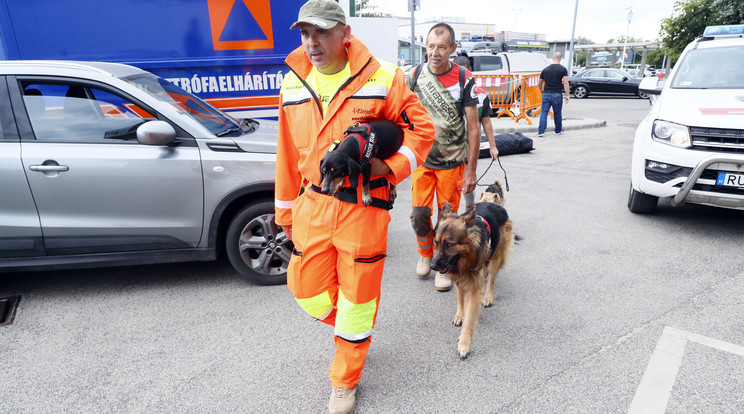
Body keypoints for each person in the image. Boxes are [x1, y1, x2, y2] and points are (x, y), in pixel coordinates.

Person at [274, 1, 435, 413]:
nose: (312, 42)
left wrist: (387, 166)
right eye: (305, 34)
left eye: (321, 33)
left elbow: (421, 132)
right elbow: (286, 156)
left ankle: (344, 379)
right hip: (313, 204)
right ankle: (354, 337)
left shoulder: (383, 76)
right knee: (306, 292)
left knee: (358, 300)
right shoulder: (292, 82)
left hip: (363, 208)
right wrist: (286, 214)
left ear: (344, 34)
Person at [407, 23, 481, 291]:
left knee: (445, 221)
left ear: (452, 48)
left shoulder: (464, 78)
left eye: (441, 47)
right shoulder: (414, 75)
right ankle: (426, 253)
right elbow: (401, 115)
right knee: (418, 214)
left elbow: (473, 127)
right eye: (430, 46)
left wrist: (471, 170)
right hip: (422, 160)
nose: (434, 53)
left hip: (452, 163)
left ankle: (443, 265)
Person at [452, 54, 499, 209]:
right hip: (451, 146)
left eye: (465, 72)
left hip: (470, 146)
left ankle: (469, 209)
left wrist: (493, 146)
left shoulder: (480, 94)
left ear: (470, 71)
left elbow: (486, 121)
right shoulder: (449, 92)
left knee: (468, 179)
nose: (462, 77)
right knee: (450, 182)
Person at [537, 52, 570, 137]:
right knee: (557, 113)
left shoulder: (546, 69)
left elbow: (539, 83)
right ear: (560, 58)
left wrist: (542, 90)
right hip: (557, 94)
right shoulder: (563, 69)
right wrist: (567, 95)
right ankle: (558, 130)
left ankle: (541, 131)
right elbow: (565, 83)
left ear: (552, 58)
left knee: (544, 112)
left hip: (546, 93)